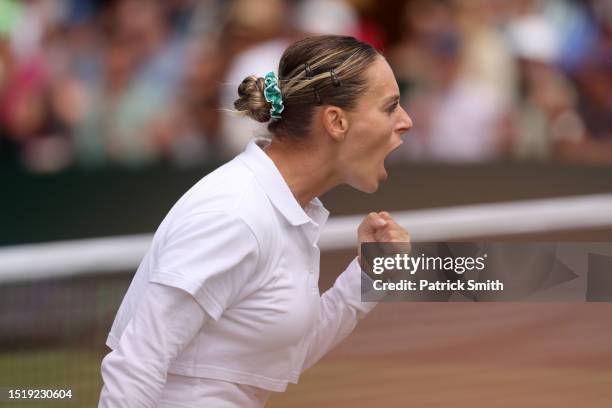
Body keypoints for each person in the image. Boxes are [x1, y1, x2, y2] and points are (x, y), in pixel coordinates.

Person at [98, 34, 412, 407]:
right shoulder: (235, 215)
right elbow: (137, 362)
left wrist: (368, 276)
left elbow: (283, 352)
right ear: (336, 121)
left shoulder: (277, 209)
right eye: (390, 107)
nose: (405, 122)